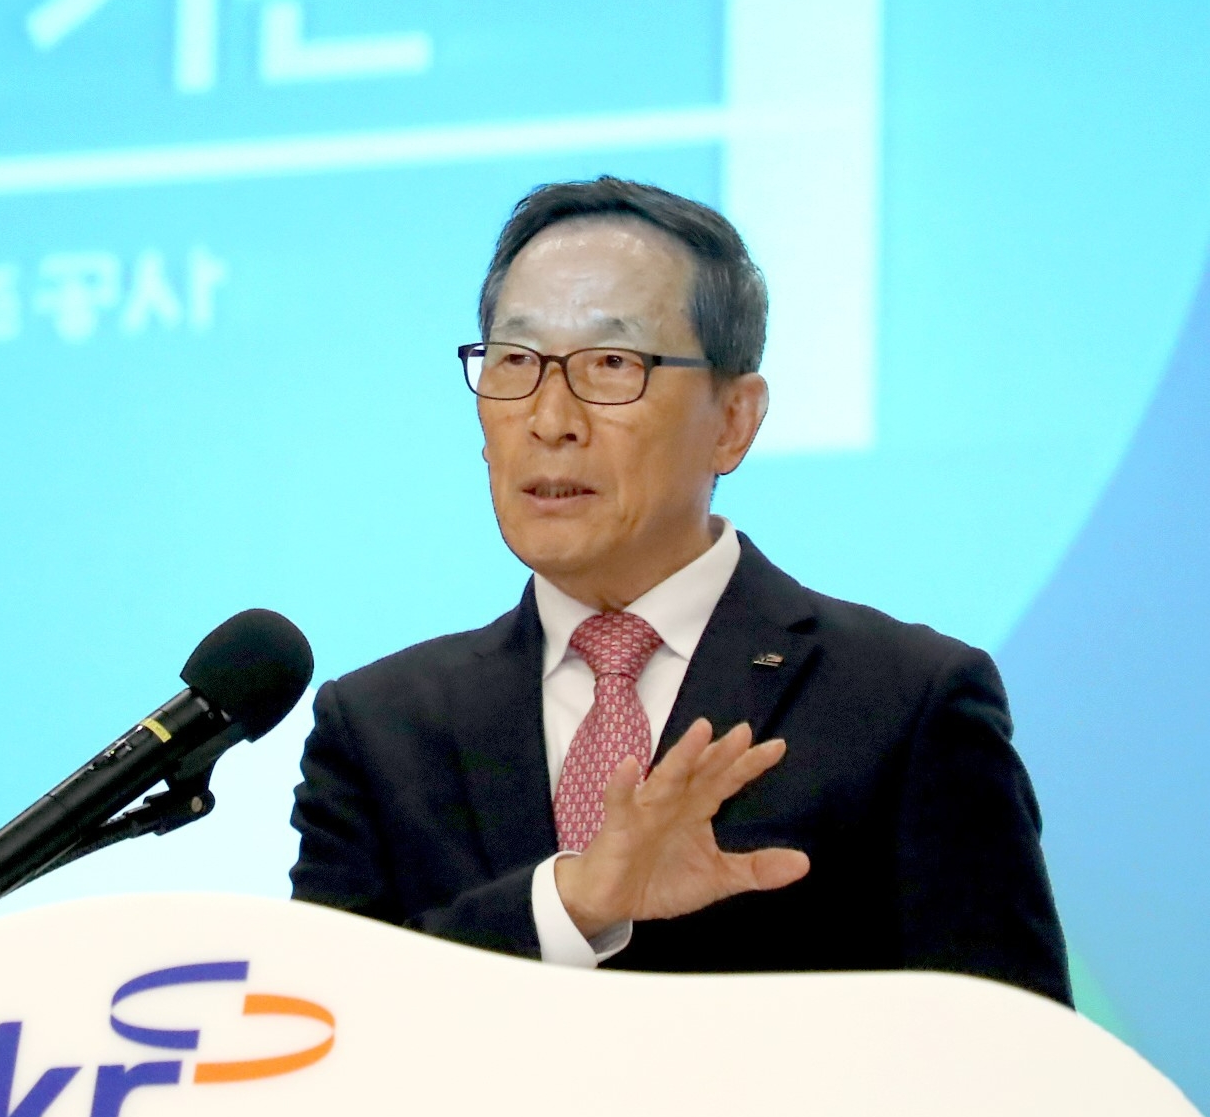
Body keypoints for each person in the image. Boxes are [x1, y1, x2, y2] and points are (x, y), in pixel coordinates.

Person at [289, 177, 1071, 1004]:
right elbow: (321, 1023)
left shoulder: (902, 702)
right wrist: (569, 905)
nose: (549, 420)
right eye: (515, 362)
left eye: (611, 364)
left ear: (733, 420)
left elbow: (1015, 1051)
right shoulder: (376, 729)